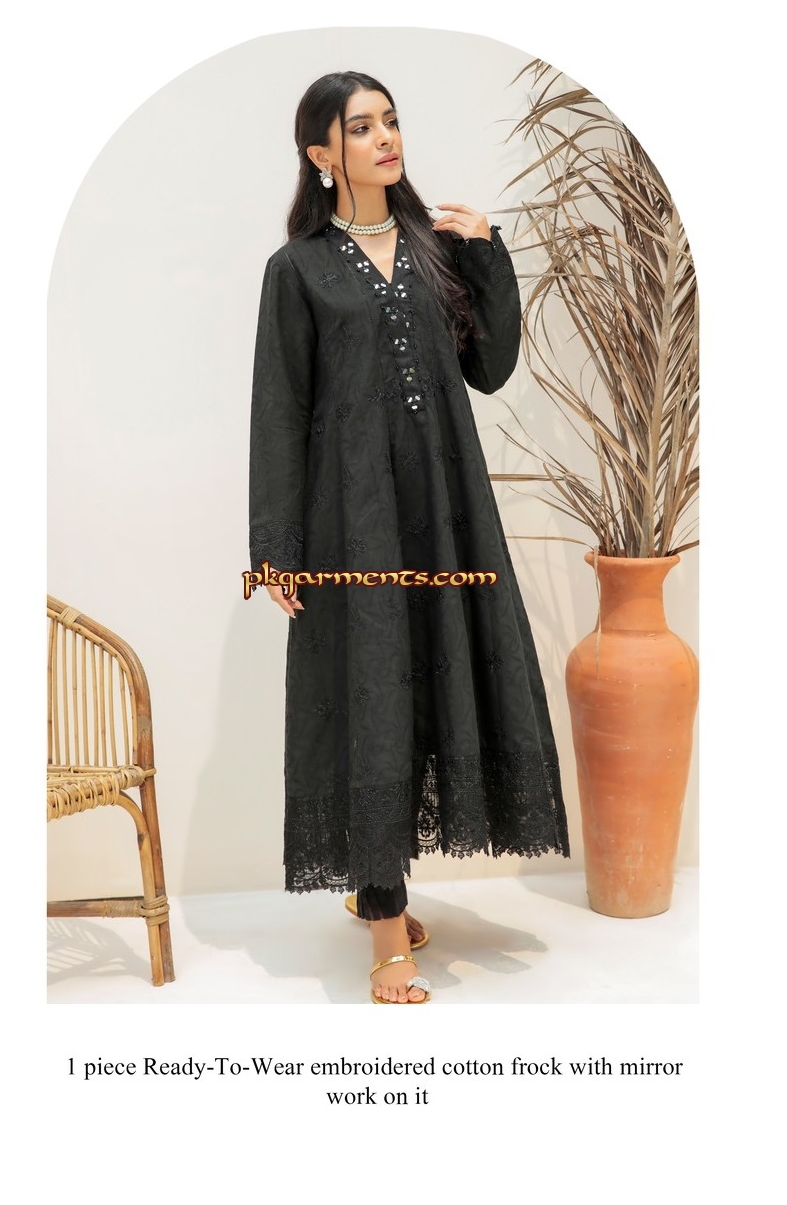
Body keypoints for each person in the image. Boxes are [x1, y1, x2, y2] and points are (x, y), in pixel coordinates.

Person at [248, 71, 569, 1004]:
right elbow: (280, 410)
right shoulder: (297, 270)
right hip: (351, 522)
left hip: (446, 509)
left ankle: (372, 887)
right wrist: (276, 544)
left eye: (390, 120)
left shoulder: (434, 248)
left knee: (442, 678)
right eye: (360, 127)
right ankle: (387, 929)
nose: (385, 137)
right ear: (321, 154)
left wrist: (487, 256)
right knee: (372, 695)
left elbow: (489, 369)